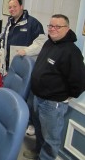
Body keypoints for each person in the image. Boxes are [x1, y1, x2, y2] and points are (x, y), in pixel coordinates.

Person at [23, 14, 85, 160]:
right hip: (37, 97)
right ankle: (38, 152)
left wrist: (68, 95)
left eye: (58, 26)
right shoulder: (48, 42)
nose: (53, 29)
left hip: (52, 104)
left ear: (67, 28)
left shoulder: (72, 51)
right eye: (50, 26)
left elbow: (80, 80)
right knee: (39, 131)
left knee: (51, 139)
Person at [0, 0, 45, 76]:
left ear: (21, 7)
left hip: (23, 65)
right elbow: (4, 44)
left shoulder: (33, 23)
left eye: (15, 6)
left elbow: (41, 43)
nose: (12, 9)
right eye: (10, 7)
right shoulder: (9, 23)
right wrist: (1, 60)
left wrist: (26, 51)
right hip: (8, 66)